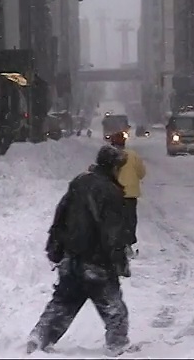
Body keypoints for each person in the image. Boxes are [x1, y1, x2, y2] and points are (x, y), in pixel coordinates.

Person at [26, 145, 131, 356]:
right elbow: (113, 234)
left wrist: (55, 247)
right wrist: (119, 261)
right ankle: (117, 346)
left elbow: (61, 215)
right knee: (114, 309)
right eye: (119, 167)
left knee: (63, 303)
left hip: (71, 258)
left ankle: (40, 337)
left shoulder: (79, 182)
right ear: (113, 167)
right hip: (97, 261)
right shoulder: (112, 192)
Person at [109, 131, 146, 257]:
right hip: (130, 193)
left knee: (116, 219)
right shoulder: (133, 155)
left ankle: (116, 244)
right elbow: (141, 173)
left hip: (114, 193)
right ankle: (128, 244)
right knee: (130, 220)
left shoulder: (111, 157)